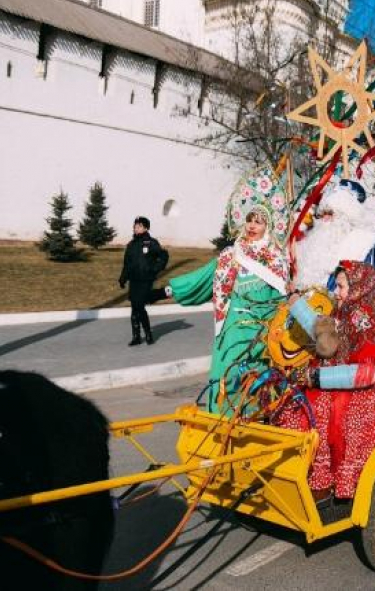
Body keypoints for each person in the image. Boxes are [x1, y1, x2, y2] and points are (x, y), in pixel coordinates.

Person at [153, 167, 290, 415]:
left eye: (258, 222)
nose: (251, 226)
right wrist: (167, 291)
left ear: (268, 226)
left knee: (253, 380)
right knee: (223, 375)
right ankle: (220, 423)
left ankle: (254, 425)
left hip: (259, 334)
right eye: (249, 219)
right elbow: (203, 278)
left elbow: (280, 303)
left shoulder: (275, 260)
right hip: (229, 331)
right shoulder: (230, 255)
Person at [274, 261, 375, 502]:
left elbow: (368, 373)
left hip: (364, 391)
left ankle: (334, 482)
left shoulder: (370, 319)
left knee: (333, 413)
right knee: (294, 407)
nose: (336, 293)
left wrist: (316, 377)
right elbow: (324, 336)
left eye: (341, 287)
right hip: (333, 382)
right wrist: (295, 301)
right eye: (336, 286)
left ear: (360, 287)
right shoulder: (345, 311)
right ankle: (305, 476)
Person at [119, 216, 168, 346]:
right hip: (134, 280)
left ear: (146, 228)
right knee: (135, 307)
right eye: (135, 226)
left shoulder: (151, 243)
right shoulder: (131, 245)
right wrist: (123, 278)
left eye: (139, 226)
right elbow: (127, 264)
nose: (136, 228)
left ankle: (147, 333)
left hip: (146, 279)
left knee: (139, 305)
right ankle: (136, 336)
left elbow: (163, 256)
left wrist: (155, 269)